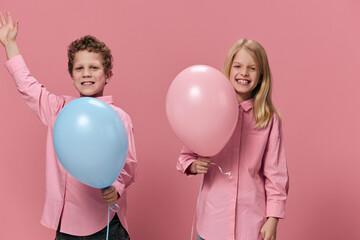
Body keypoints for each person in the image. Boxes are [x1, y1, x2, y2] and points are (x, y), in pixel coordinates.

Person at [0, 12, 137, 240]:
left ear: (108, 74)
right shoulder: (58, 109)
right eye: (79, 68)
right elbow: (27, 84)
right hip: (65, 226)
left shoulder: (119, 118)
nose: (86, 74)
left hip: (106, 225)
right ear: (71, 75)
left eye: (94, 68)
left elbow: (129, 165)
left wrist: (116, 187)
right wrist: (10, 44)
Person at [177, 39, 289, 240]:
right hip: (212, 222)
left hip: (251, 225)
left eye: (252, 68)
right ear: (229, 69)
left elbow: (276, 173)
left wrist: (273, 219)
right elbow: (186, 157)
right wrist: (194, 166)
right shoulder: (209, 110)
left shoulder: (268, 118)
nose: (244, 73)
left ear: (261, 75)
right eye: (238, 66)